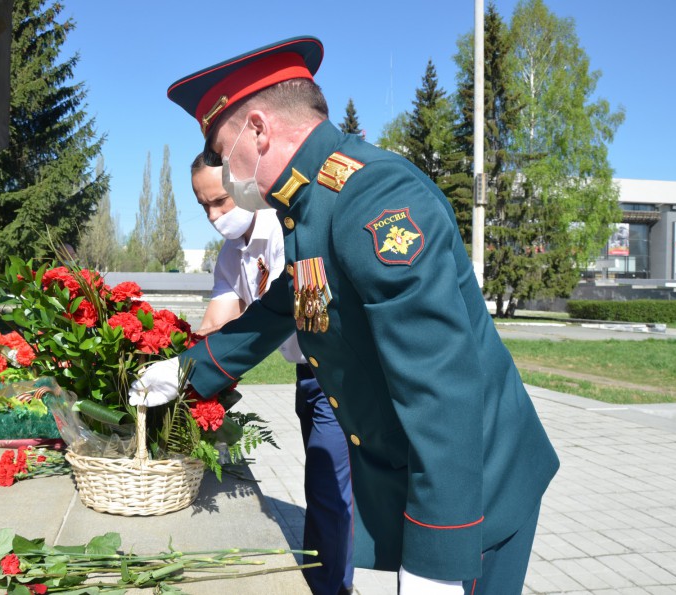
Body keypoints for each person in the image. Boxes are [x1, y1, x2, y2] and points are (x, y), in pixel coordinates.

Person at [131, 35, 559, 594]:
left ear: (257, 130)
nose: (221, 168)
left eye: (219, 147)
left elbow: (442, 384)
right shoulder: (312, 205)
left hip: (477, 488)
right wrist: (184, 373)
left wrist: (437, 555)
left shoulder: (372, 197)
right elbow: (286, 307)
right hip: (422, 471)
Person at [191, 153, 354, 595]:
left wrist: (227, 353)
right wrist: (178, 362)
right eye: (204, 206)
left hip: (342, 374)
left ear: (244, 186)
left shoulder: (294, 232)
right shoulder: (230, 256)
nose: (214, 215)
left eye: (221, 201)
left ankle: (328, 588)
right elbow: (217, 327)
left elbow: (312, 317)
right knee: (325, 489)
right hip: (308, 375)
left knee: (329, 493)